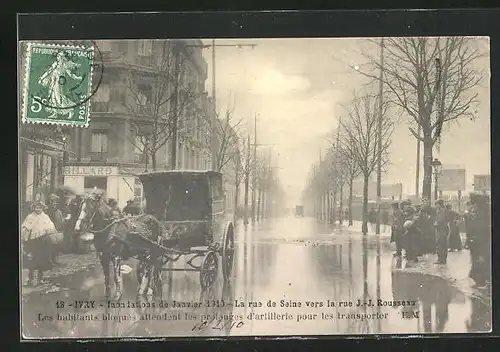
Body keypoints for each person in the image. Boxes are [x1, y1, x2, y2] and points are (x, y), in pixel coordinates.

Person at [21, 200, 57, 286]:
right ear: (33, 208)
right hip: (33, 241)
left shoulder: (45, 217)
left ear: (42, 208)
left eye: (39, 208)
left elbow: (51, 227)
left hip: (44, 241)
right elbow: (25, 228)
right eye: (36, 208)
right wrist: (24, 238)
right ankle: (30, 279)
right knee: (32, 260)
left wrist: (48, 231)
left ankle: (40, 279)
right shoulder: (30, 217)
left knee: (43, 259)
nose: (38, 209)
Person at [467, 193, 490, 289]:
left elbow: (480, 228)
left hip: (480, 242)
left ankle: (481, 282)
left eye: (473, 204)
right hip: (478, 241)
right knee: (479, 261)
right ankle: (481, 280)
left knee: (480, 261)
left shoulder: (482, 213)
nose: (472, 207)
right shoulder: (482, 211)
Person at [434, 199, 449, 264]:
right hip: (443, 229)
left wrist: (436, 223)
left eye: (436, 204)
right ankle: (443, 259)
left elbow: (441, 220)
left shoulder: (442, 211)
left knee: (441, 244)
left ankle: (440, 259)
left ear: (439, 204)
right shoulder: (443, 210)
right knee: (443, 245)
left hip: (441, 229)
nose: (435, 205)